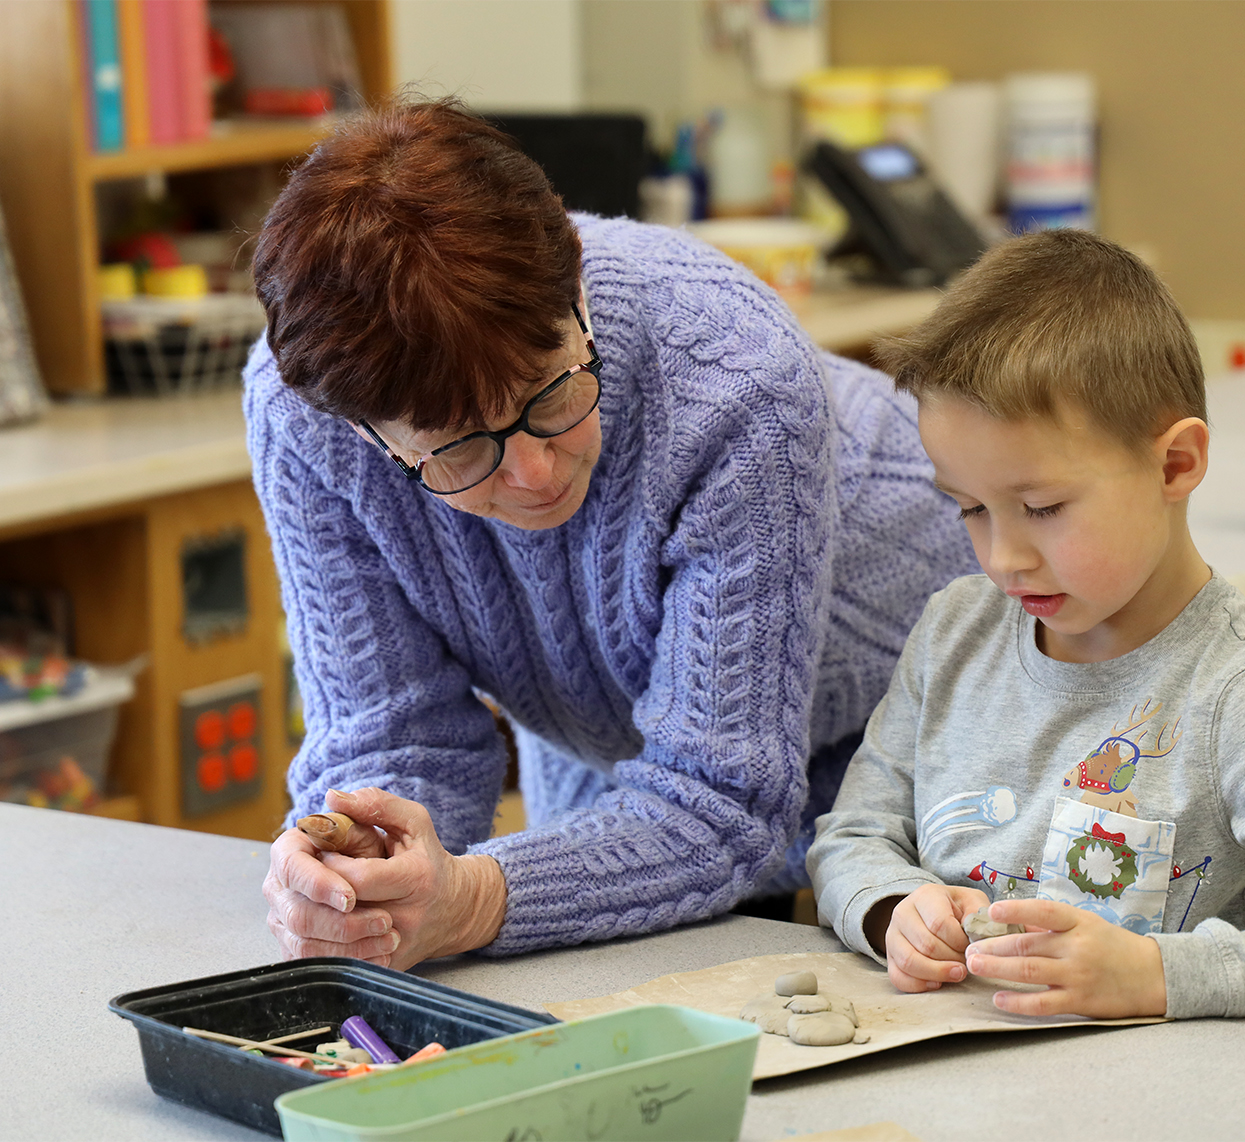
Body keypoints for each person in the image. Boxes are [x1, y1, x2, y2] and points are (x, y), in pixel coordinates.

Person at [246, 99, 976, 970]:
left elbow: (720, 800)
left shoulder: (735, 376)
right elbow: (396, 733)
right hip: (617, 735)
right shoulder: (308, 417)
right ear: (369, 433)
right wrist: (366, 872)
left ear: (576, 288)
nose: (535, 476)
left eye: (552, 396)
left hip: (917, 703)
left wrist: (473, 897)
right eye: (459, 451)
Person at [806, 229, 1245, 1019]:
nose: (1003, 558)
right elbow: (852, 835)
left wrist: (1152, 974)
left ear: (1175, 465)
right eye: (970, 508)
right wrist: (893, 907)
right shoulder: (953, 634)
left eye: (1041, 509)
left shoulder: (1241, 694)